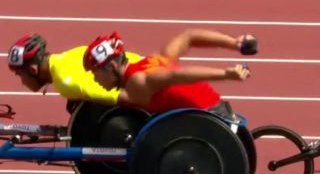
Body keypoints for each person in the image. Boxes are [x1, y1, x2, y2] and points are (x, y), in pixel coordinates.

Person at [82, 29, 257, 114]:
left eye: (95, 73)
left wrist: (226, 75)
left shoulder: (137, 81)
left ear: (112, 67)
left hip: (210, 116)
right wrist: (234, 43)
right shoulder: (151, 61)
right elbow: (188, 37)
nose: (95, 79)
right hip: (215, 107)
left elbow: (177, 76)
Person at [7, 34, 142, 112]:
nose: (22, 82)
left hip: (142, 79)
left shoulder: (64, 80)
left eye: (20, 75)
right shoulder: (64, 58)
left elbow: (119, 97)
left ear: (32, 70)